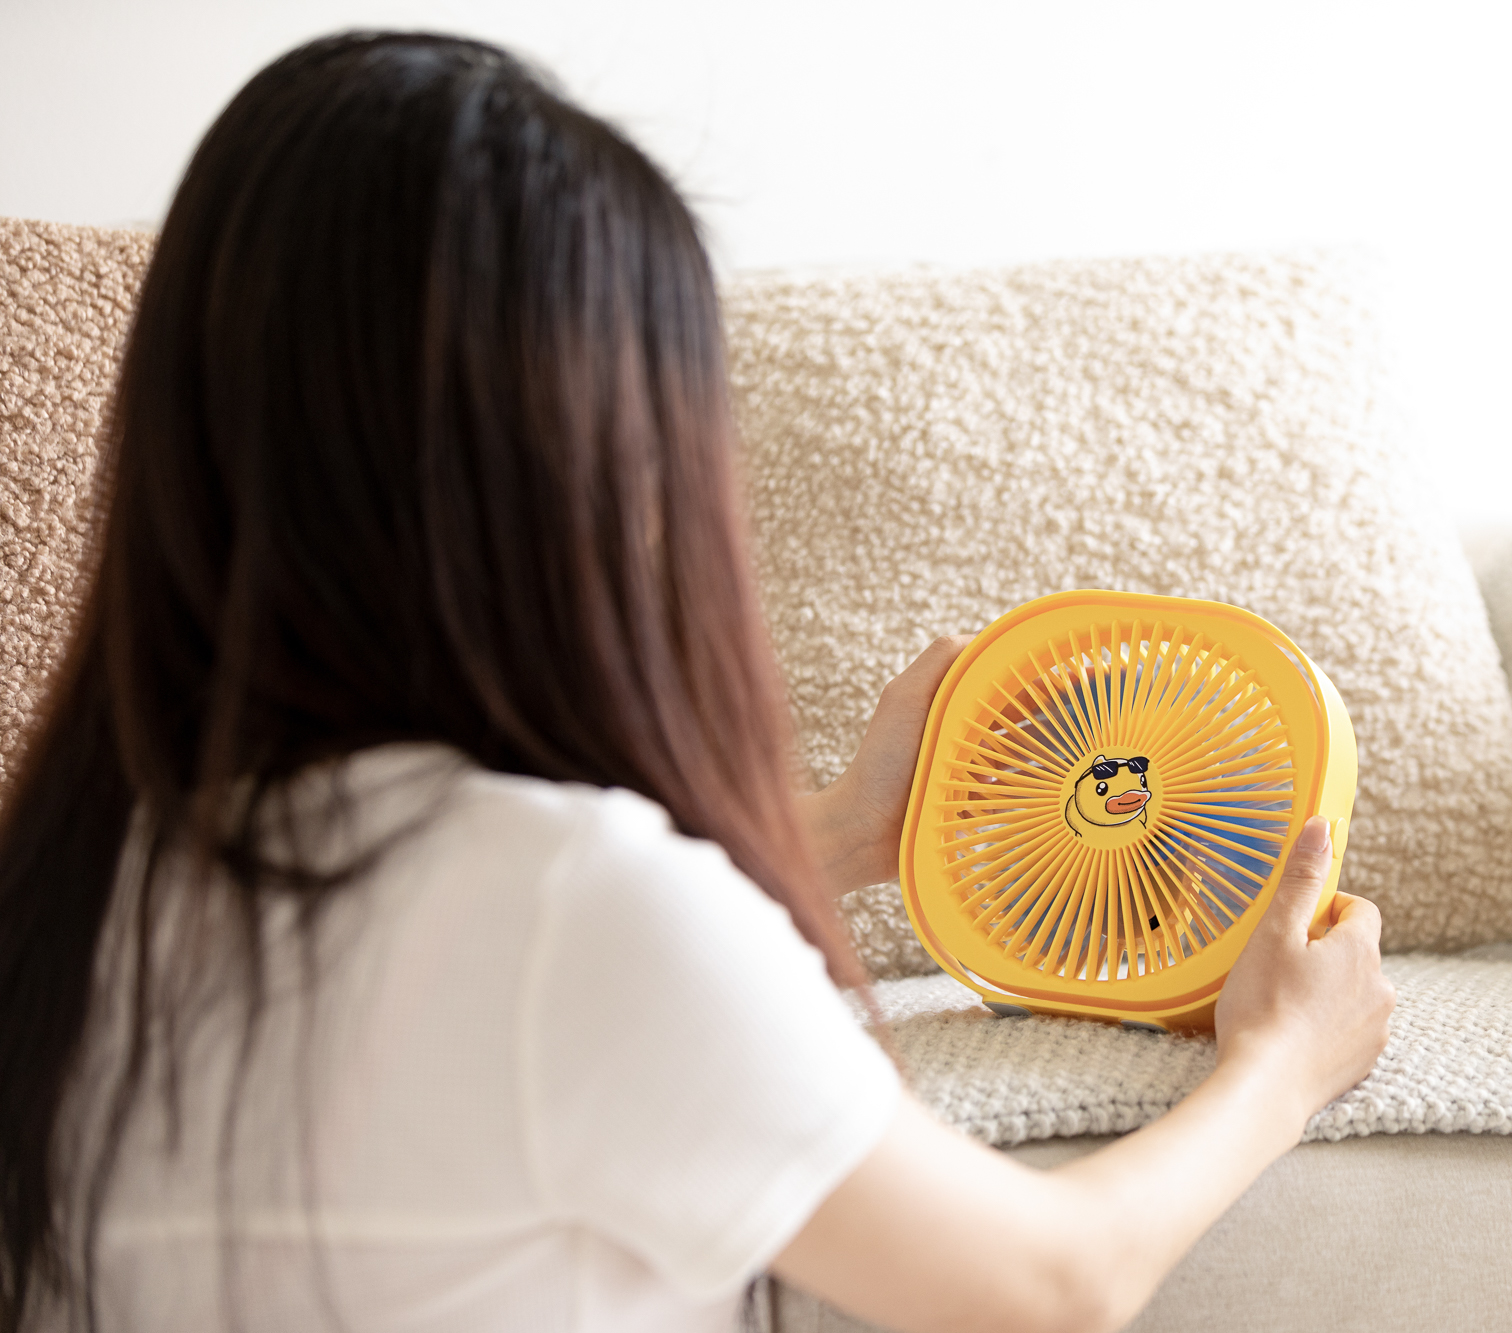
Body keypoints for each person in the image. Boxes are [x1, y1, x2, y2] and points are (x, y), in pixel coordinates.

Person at [0, 32, 1393, 1333]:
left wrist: (852, 830)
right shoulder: (565, 902)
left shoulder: (82, 880)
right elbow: (1045, 1281)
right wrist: (1284, 1063)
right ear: (580, 471)